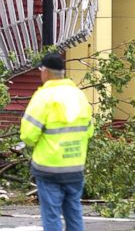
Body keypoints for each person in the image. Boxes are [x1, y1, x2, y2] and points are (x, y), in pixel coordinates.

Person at [19, 53, 94, 231]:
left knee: (51, 215)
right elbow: (89, 130)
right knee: (74, 211)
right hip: (75, 166)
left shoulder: (43, 97)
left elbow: (28, 135)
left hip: (49, 168)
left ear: (45, 72)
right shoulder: (78, 95)